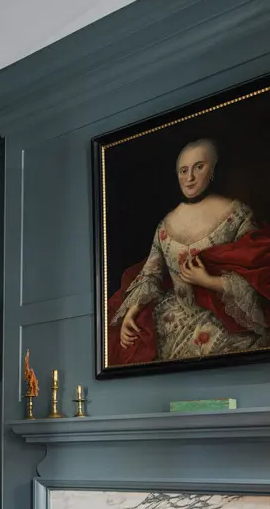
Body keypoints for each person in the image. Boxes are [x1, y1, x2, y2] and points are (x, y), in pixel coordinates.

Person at [108, 138, 270, 365]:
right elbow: (150, 275)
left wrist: (207, 280)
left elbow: (257, 274)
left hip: (223, 317)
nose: (190, 177)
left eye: (198, 167)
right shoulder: (166, 225)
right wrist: (131, 313)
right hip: (172, 317)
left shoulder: (236, 215)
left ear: (212, 169)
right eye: (183, 170)